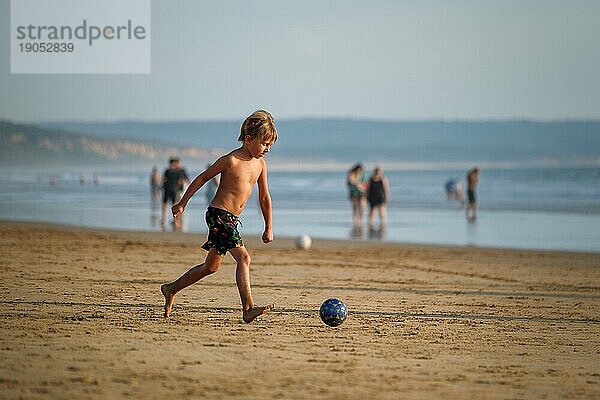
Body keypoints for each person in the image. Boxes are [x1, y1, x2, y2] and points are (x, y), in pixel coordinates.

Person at [161, 110, 277, 323]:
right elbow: (203, 178)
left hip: (232, 220)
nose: (267, 149)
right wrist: (182, 203)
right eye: (264, 144)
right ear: (249, 138)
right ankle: (248, 308)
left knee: (210, 268)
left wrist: (268, 226)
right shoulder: (230, 160)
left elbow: (264, 197)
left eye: (270, 145)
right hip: (218, 215)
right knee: (244, 258)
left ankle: (170, 289)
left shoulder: (260, 165)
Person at [161, 158, 189, 230]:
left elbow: (183, 180)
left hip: (172, 190)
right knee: (167, 205)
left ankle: (175, 221)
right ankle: (168, 220)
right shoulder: (172, 171)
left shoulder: (177, 171)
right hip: (170, 190)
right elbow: (164, 180)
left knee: (173, 205)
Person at [366, 166, 390, 231]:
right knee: (372, 211)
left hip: (380, 196)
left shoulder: (383, 178)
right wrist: (367, 196)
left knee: (382, 210)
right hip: (372, 196)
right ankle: (370, 223)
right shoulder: (370, 179)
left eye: (379, 171)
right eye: (377, 171)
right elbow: (367, 189)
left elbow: (386, 188)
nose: (378, 172)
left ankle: (383, 223)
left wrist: (387, 196)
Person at [347, 163, 367, 228]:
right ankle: (355, 221)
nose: (360, 170)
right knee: (355, 208)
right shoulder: (351, 174)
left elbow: (365, 184)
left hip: (362, 193)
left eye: (361, 169)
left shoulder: (363, 175)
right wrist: (358, 184)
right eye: (359, 169)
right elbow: (350, 182)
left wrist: (359, 185)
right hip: (354, 193)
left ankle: (360, 220)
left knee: (362, 207)